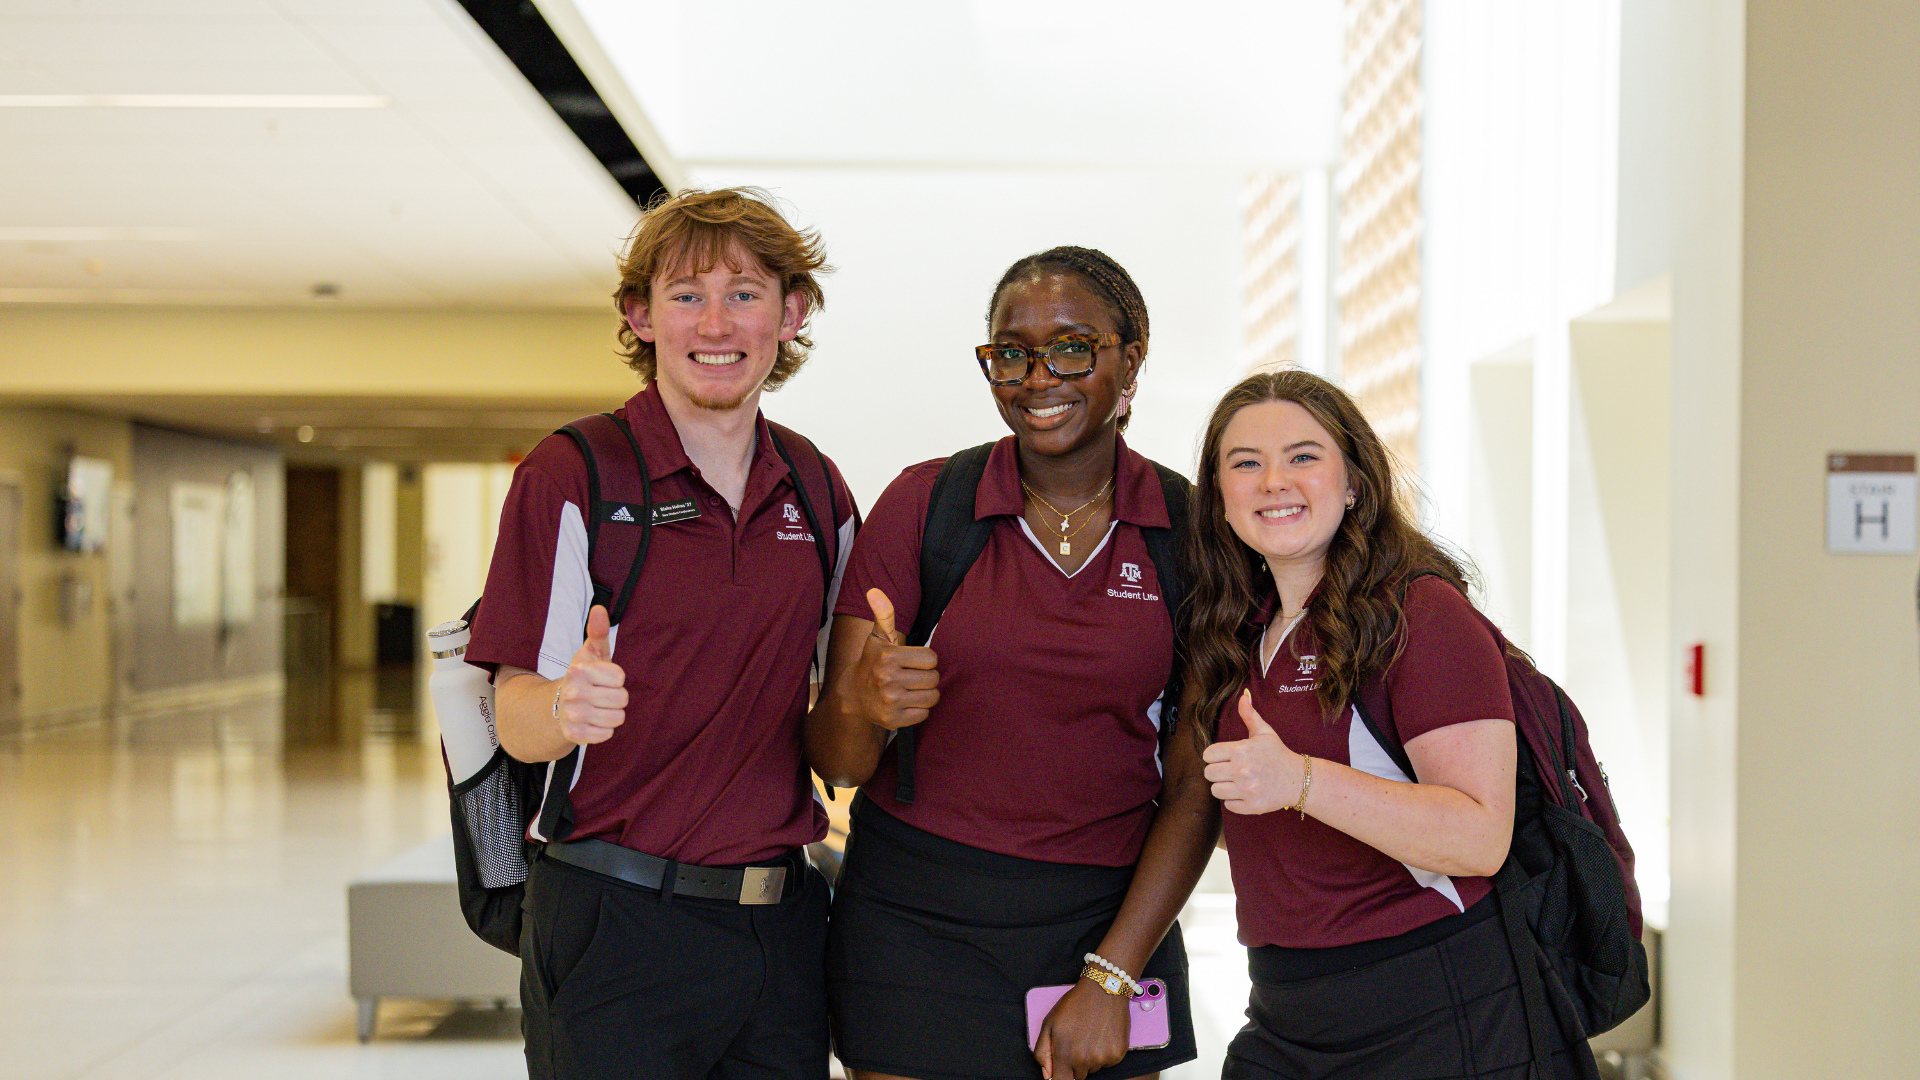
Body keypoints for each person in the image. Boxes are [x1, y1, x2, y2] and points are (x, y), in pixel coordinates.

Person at [464, 187, 857, 1080]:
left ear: (791, 313)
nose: (716, 322)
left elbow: (843, 708)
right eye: (686, 295)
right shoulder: (573, 473)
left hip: (779, 923)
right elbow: (513, 716)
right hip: (614, 920)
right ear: (640, 317)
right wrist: (566, 705)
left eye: (746, 293)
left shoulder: (816, 487)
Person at [807, 246, 1215, 1080]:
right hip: (913, 923)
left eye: (1072, 347)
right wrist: (867, 705)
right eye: (1011, 353)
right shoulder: (926, 506)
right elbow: (838, 764)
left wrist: (1112, 972)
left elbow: (1193, 787)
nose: (1038, 379)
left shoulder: (1191, 531)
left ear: (1129, 358)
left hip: (1108, 921)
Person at [1184, 369, 1597, 1079]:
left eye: (1304, 457)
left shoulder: (1422, 616)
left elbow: (1478, 837)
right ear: (1220, 499)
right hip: (1286, 1006)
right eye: (1245, 463)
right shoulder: (1238, 634)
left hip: (1434, 1004)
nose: (1274, 480)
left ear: (1353, 484)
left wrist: (1299, 780)